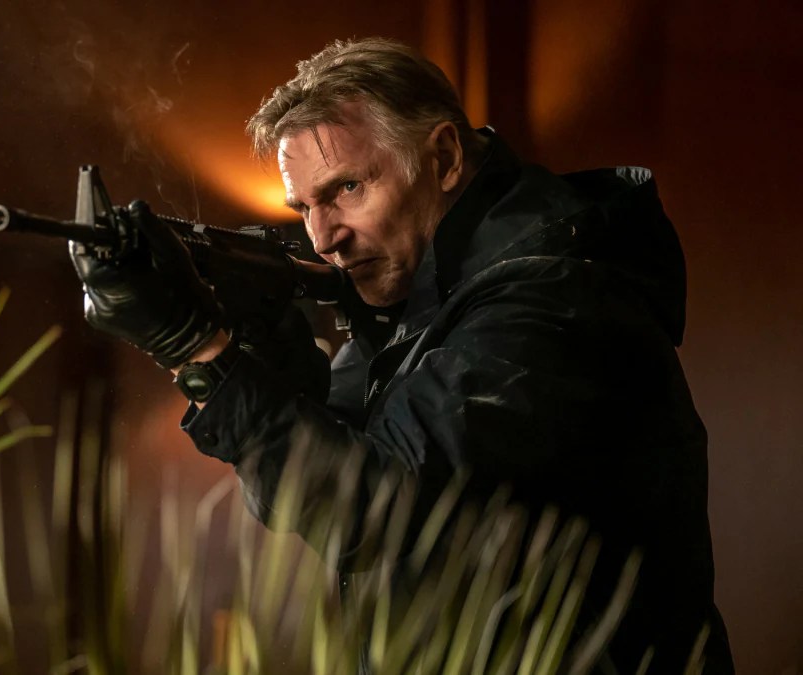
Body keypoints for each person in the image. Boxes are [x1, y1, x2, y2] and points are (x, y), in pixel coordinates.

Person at [70, 38, 734, 673]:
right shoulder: (423, 304)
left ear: (443, 157)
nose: (323, 237)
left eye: (346, 189)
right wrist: (264, 351)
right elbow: (309, 484)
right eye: (304, 206)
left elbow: (371, 510)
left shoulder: (549, 292)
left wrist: (196, 347)